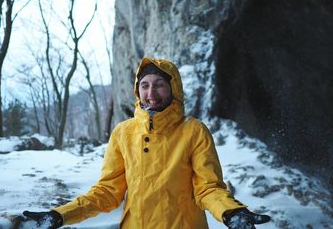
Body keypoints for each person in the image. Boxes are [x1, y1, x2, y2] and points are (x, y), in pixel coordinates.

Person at [23, 58, 271, 229]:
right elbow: (107, 192)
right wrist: (59, 215)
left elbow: (208, 189)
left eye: (159, 85)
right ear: (137, 90)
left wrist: (231, 211)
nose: (151, 92)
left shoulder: (193, 131)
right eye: (145, 85)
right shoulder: (123, 133)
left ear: (173, 89)